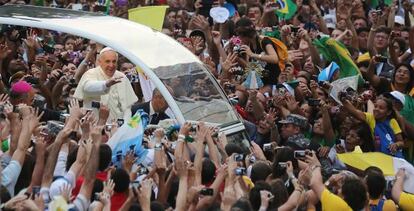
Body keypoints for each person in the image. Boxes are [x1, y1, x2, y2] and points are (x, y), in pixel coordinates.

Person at [73, 47, 138, 121]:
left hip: (116, 126)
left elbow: (127, 107)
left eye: (114, 61)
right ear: (100, 62)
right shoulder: (91, 73)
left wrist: (125, 126)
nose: (111, 65)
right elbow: (87, 87)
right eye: (107, 61)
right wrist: (106, 84)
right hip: (94, 124)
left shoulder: (122, 77)